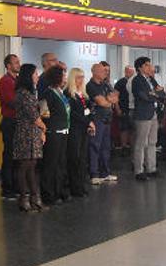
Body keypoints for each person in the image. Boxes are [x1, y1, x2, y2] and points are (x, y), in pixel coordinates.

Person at [12, 64, 45, 212]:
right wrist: (44, 127)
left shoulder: (31, 93)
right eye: (35, 74)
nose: (37, 76)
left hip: (33, 133)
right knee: (24, 165)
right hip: (25, 133)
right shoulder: (23, 93)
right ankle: (23, 198)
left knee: (32, 166)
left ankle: (35, 197)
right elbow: (34, 115)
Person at [41, 66, 71, 202]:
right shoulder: (48, 93)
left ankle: (60, 191)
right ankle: (49, 194)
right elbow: (44, 114)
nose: (65, 78)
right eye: (63, 75)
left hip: (64, 131)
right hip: (54, 132)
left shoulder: (61, 92)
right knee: (51, 164)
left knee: (61, 163)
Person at [131, 57, 164, 181]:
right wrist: (155, 95)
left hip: (153, 113)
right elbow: (143, 96)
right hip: (143, 114)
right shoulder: (137, 80)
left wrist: (155, 94)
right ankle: (139, 170)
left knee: (152, 142)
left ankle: (151, 168)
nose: (150, 67)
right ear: (140, 68)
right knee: (141, 143)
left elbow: (162, 94)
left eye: (150, 65)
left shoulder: (151, 79)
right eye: (146, 65)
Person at [87, 63, 118, 185]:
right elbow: (101, 103)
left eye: (105, 71)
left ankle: (105, 173)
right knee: (95, 146)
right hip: (97, 119)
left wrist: (109, 100)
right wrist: (108, 100)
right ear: (94, 72)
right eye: (102, 71)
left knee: (106, 147)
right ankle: (94, 174)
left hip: (107, 119)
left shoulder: (105, 84)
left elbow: (115, 97)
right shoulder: (91, 85)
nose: (105, 73)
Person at [66, 67, 94, 197]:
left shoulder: (83, 93)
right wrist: (87, 121)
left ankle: (81, 185)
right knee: (75, 158)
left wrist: (90, 122)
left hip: (84, 129)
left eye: (82, 77)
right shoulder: (69, 93)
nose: (81, 80)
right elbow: (73, 113)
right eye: (78, 77)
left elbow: (88, 109)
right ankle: (75, 187)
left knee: (83, 158)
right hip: (74, 129)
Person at [0, 54, 20, 201]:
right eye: (16, 63)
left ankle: (16, 186)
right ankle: (7, 189)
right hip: (10, 122)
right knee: (10, 156)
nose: (18, 64)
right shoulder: (5, 81)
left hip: (18, 122)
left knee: (17, 156)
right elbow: (12, 102)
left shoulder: (17, 81)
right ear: (8, 65)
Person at [113, 65, 135, 151]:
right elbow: (115, 96)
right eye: (129, 71)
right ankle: (124, 146)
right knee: (124, 129)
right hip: (123, 109)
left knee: (133, 128)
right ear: (125, 72)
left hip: (133, 109)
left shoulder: (135, 82)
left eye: (132, 72)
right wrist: (117, 108)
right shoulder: (120, 82)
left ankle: (131, 146)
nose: (131, 73)